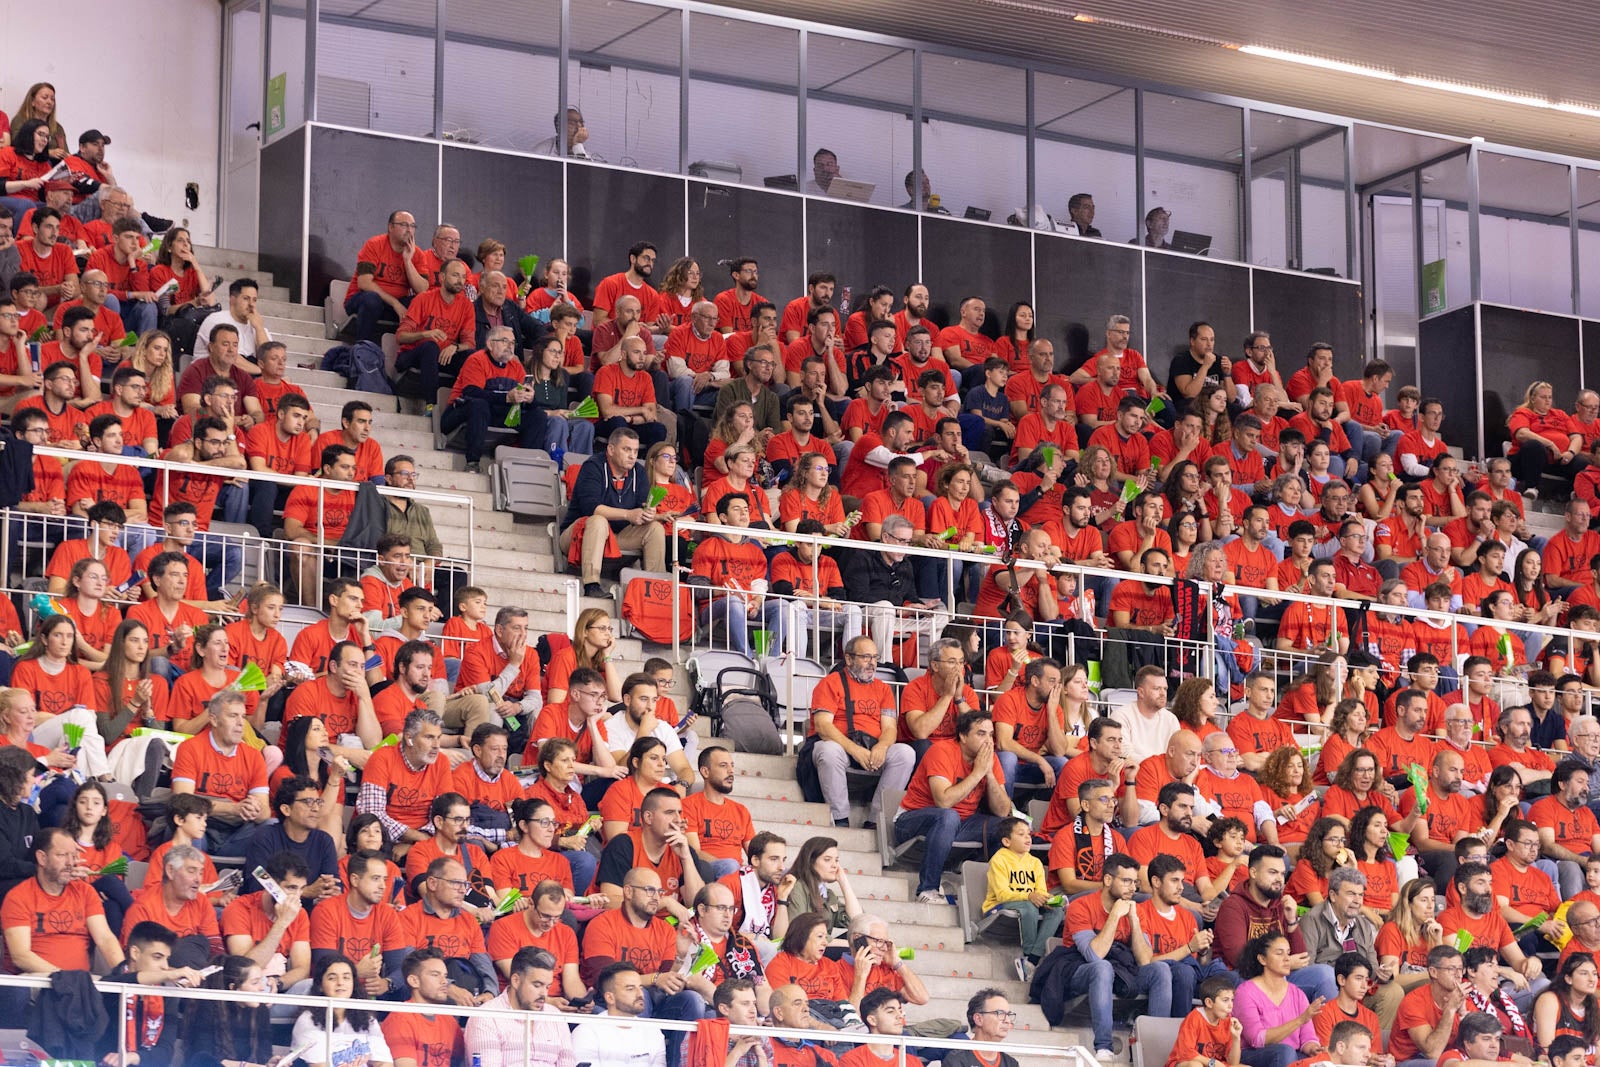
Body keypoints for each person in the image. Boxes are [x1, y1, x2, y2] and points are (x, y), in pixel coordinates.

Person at [1062, 852, 1174, 1057]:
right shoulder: (1081, 906)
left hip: (1121, 972)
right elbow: (1094, 955)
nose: (1133, 888)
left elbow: (1144, 961)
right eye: (1126, 881)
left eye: (1135, 882)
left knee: (1160, 969)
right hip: (1079, 971)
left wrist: (1134, 921)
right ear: (1107, 879)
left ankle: (1156, 1050)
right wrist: (1114, 915)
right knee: (1102, 967)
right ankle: (1104, 1047)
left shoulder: (1135, 909)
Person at [894, 708, 1008, 904]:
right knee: (948, 816)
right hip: (911, 820)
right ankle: (927, 889)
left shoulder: (990, 758)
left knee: (1007, 827)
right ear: (963, 736)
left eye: (991, 734)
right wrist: (977, 773)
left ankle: (980, 888)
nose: (989, 741)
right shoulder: (942, 751)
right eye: (981, 734)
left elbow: (1003, 810)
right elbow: (943, 802)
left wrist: (989, 774)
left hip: (960, 823)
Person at [807, 635, 915, 830]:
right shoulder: (830, 683)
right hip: (842, 747)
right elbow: (823, 726)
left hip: (873, 748)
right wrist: (855, 750)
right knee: (828, 750)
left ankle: (877, 821)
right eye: (866, 657)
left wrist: (882, 747)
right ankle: (839, 818)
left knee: (905, 753)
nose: (872, 663)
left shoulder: (883, 689)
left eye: (875, 657)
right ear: (849, 659)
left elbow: (890, 728)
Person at [0, 825, 125, 976]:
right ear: (42, 858)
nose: (70, 863)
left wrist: (124, 974)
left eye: (73, 856)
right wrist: (65, 978)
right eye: (62, 855)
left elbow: (105, 938)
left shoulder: (85, 891)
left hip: (81, 982)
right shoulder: (18, 897)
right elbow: (21, 956)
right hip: (35, 980)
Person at [1215, 845, 1335, 1000]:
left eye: (1282, 873)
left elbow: (1301, 958)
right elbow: (1239, 959)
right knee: (1250, 981)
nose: (1279, 879)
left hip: (1276, 975)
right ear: (1253, 873)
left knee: (1324, 974)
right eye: (1272, 872)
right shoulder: (1233, 906)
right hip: (1238, 977)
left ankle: (1325, 1025)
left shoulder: (1281, 904)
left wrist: (1292, 921)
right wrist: (1283, 963)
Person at [561, 427, 666, 597]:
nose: (632, 456)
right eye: (626, 449)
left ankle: (656, 590)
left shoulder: (638, 472)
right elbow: (592, 508)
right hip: (578, 535)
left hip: (618, 536)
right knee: (598, 520)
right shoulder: (593, 466)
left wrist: (648, 513)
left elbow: (643, 505)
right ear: (610, 449)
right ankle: (592, 584)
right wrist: (628, 514)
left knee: (655, 528)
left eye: (635, 451)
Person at [1299, 867, 1403, 1025]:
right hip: (1330, 988)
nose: (1357, 901)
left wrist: (1382, 974)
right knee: (1326, 976)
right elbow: (1308, 969)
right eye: (1351, 894)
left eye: (1360, 895)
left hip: (1357, 988)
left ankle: (1373, 1045)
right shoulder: (1312, 920)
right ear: (1333, 896)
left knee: (1392, 992)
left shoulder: (1363, 925)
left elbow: (1373, 968)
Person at [291, 954, 395, 1067]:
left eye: (346, 977)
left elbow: (385, 1063)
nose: (340, 982)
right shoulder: (307, 1020)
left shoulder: (367, 1018)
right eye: (332, 978)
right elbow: (319, 1065)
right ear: (320, 985)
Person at [343, 211, 427, 344]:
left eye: (412, 226)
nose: (409, 230)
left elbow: (423, 289)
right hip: (362, 300)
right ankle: (362, 349)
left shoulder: (417, 254)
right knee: (372, 299)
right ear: (391, 227)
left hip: (392, 308)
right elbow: (364, 283)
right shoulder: (374, 244)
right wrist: (395, 303)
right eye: (404, 225)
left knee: (420, 302)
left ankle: (406, 353)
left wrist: (407, 261)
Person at [381, 948, 467, 1067]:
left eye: (445, 976)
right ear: (414, 981)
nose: (444, 982)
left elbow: (463, 1061)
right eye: (435, 975)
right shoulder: (399, 1020)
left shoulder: (449, 1020)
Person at [1166, 976, 1245, 1067]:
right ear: (1209, 1003)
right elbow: (1186, 1052)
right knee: (1195, 1065)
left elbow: (1233, 1063)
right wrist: (1212, 1063)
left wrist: (1236, 1038)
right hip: (1185, 1063)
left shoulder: (1228, 1022)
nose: (1231, 1005)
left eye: (1232, 1000)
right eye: (1225, 1000)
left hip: (1213, 1064)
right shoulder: (1194, 1018)